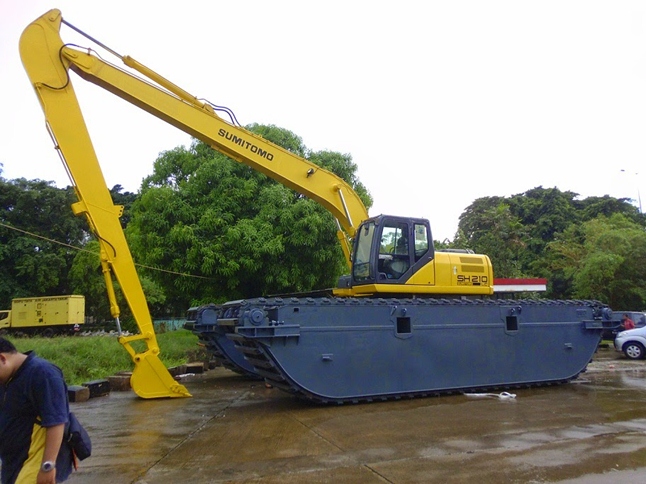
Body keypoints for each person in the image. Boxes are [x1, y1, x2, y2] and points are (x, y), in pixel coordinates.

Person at [0, 337, 73, 484]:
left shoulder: (43, 374)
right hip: (13, 463)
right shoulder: (8, 379)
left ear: (2, 358)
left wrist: (48, 466)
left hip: (35, 462)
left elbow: (56, 422)